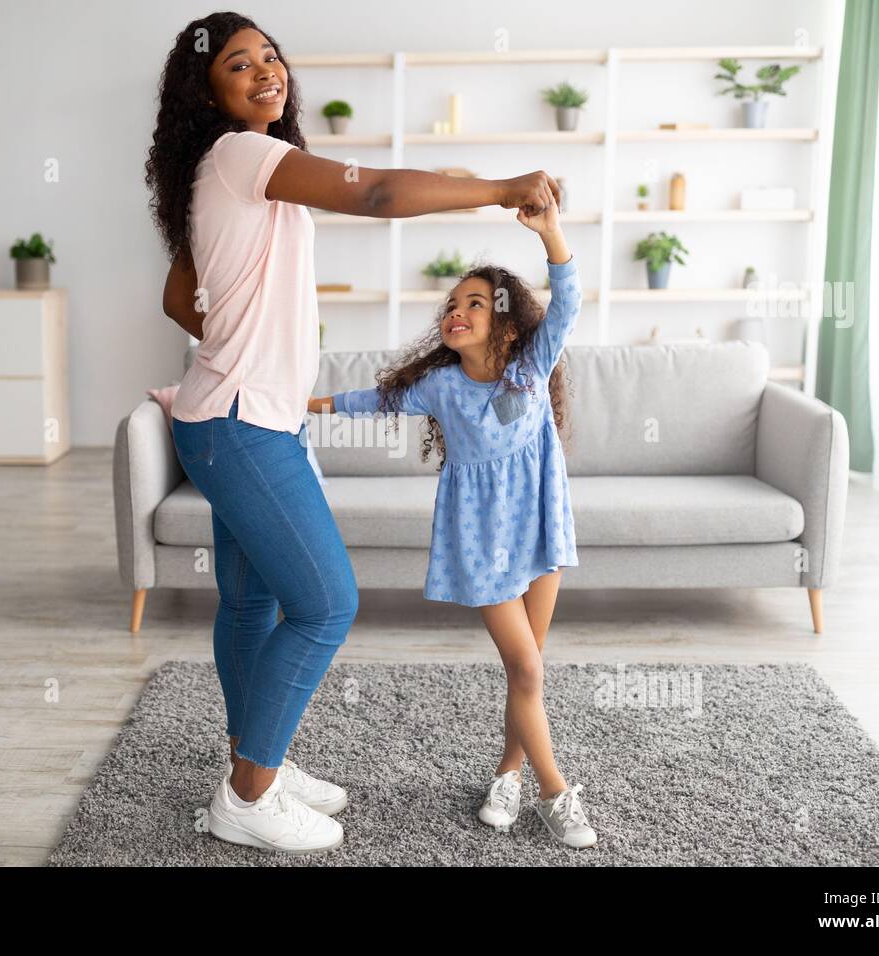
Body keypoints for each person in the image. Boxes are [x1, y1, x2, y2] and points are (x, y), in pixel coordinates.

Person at [146, 11, 562, 854]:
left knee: (253, 601)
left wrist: (244, 329)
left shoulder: (220, 169)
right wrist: (496, 187)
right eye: (238, 64)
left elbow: (176, 296)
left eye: (269, 54)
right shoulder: (243, 153)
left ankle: (251, 759)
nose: (265, 70)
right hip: (242, 424)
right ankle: (247, 797)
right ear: (207, 90)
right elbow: (374, 193)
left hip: (234, 416)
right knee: (327, 604)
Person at [308, 199, 596, 848]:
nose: (455, 312)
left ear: (506, 325)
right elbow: (369, 401)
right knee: (526, 668)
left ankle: (507, 773)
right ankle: (555, 793)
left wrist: (550, 232)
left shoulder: (529, 369)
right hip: (483, 547)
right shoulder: (439, 388)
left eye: (473, 303)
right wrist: (308, 402)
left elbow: (569, 301)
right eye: (450, 305)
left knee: (528, 670)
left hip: (541, 533)